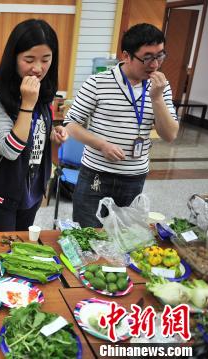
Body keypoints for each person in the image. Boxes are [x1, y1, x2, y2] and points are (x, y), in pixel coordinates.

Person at [64, 23, 178, 227]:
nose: (154, 64)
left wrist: (157, 99)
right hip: (96, 174)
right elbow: (71, 124)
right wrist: (101, 145)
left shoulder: (161, 86)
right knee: (87, 233)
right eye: (147, 57)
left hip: (134, 176)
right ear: (126, 55)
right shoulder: (97, 83)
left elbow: (169, 135)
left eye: (160, 56)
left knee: (124, 238)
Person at [0, 19, 68, 231]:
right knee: (3, 249)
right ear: (13, 57)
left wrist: (52, 136)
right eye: (29, 59)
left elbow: (35, 134)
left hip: (33, 189)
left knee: (22, 246)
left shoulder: (44, 90)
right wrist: (28, 103)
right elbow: (11, 150)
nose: (38, 68)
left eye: (46, 59)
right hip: (3, 194)